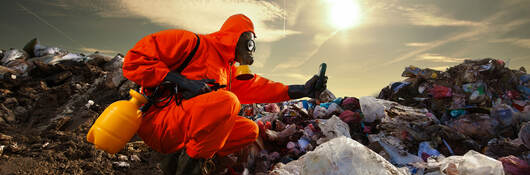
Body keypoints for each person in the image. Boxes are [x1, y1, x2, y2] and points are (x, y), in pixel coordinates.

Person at [122, 14, 326, 175]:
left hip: (185, 128)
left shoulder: (227, 70)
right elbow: (134, 60)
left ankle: (191, 160)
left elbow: (261, 87)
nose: (252, 50)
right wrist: (183, 82)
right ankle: (188, 169)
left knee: (248, 130)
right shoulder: (191, 43)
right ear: (237, 36)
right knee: (228, 101)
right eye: (251, 44)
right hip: (160, 122)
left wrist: (302, 89)